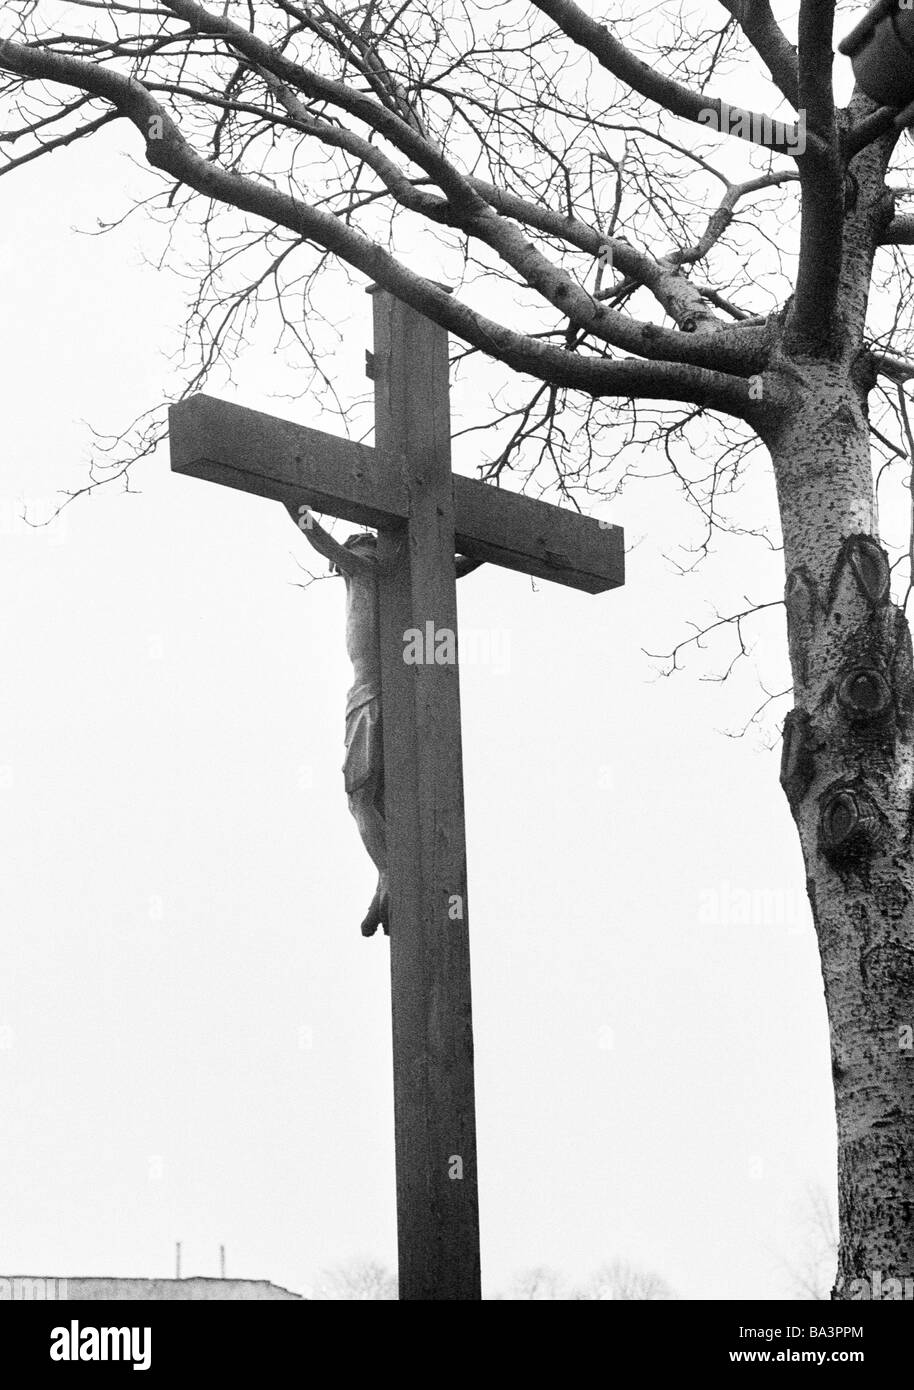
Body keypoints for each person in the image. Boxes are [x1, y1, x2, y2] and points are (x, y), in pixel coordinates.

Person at [290, 506, 480, 936]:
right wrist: (487, 546)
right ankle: (386, 881)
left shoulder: (361, 571)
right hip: (407, 700)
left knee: (360, 793)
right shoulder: (408, 579)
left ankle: (393, 874)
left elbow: (319, 538)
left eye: (356, 547)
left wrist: (290, 503)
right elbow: (453, 567)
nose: (345, 558)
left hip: (370, 698)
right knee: (392, 798)